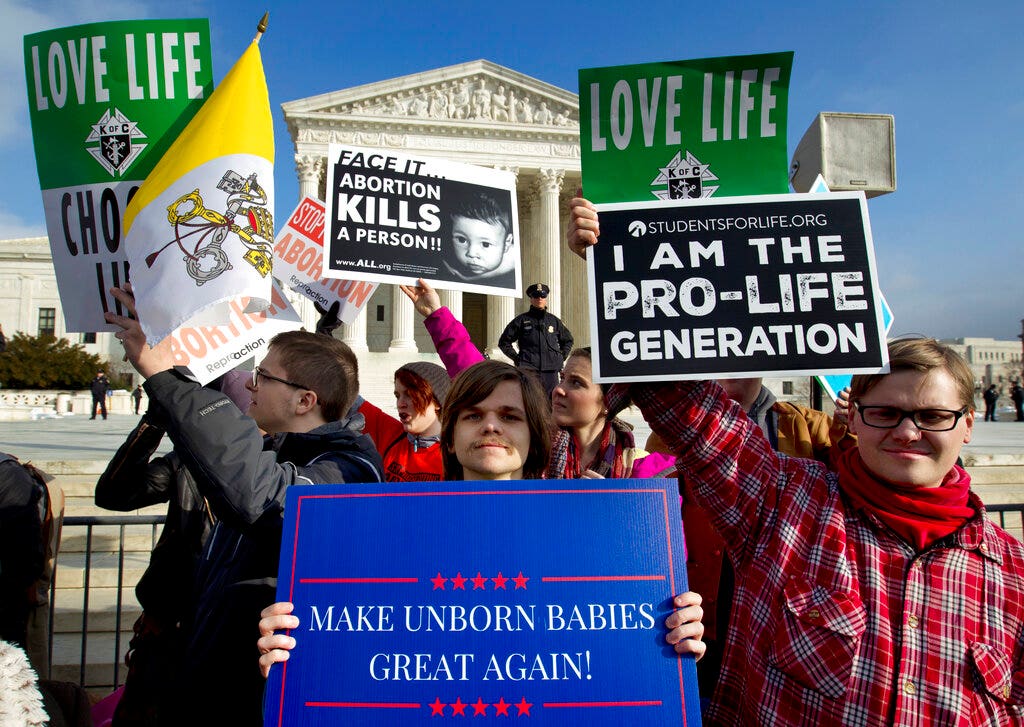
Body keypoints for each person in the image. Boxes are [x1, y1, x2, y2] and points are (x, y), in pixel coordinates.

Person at [570, 197, 1024, 725]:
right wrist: (622, 267)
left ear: (967, 424)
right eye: (885, 412)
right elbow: (686, 406)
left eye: (932, 416)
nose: (907, 432)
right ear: (852, 418)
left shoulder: (1012, 574)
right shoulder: (783, 502)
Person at [257, 360, 707, 677]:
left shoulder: (594, 536)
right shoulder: (388, 533)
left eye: (509, 416)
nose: (491, 426)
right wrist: (297, 647)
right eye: (474, 415)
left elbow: (617, 654)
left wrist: (670, 633)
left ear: (535, 437)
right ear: (450, 438)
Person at [103, 284, 384, 727]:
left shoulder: (350, 468)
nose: (252, 383)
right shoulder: (280, 455)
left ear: (304, 400)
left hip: (256, 696)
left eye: (265, 376)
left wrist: (168, 377)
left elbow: (269, 499)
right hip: (203, 680)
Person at [94, 374, 250, 726]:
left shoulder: (276, 469)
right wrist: (153, 423)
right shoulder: (186, 463)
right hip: (171, 624)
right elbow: (113, 494)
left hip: (230, 630)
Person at [498, 282, 573, 395]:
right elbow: (504, 342)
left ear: (546, 298)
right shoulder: (521, 320)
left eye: (542, 296)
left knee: (550, 402)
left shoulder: (553, 321)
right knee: (532, 400)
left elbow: (568, 340)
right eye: (536, 296)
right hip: (529, 369)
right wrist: (517, 359)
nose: (539, 299)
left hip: (550, 370)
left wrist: (561, 357)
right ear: (531, 299)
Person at [440, 190, 516, 288]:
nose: (471, 253)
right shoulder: (446, 258)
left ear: (507, 244)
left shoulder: (513, 256)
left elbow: (505, 266)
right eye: (462, 240)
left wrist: (467, 279)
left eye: (485, 244)